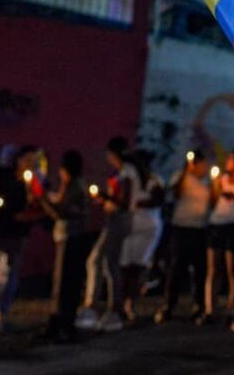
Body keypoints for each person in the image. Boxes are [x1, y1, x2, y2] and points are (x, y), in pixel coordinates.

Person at [0, 144, 40, 332]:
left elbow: (36, 203)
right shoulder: (4, 177)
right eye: (28, 160)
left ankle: (0, 314)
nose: (31, 164)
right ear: (19, 160)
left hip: (19, 235)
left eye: (34, 161)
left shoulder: (33, 182)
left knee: (10, 277)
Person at [77, 136, 138, 333]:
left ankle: (111, 308)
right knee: (97, 260)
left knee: (108, 263)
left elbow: (124, 201)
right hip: (115, 219)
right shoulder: (121, 173)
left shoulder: (127, 173)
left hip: (119, 221)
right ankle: (95, 305)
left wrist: (106, 197)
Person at [154, 150, 211, 324]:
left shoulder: (208, 181)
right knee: (176, 269)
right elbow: (175, 194)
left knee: (200, 270)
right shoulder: (181, 177)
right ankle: (168, 305)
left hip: (200, 229)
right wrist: (185, 173)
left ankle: (199, 305)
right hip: (181, 229)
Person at [37, 149, 87, 342]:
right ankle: (62, 323)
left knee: (63, 282)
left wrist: (43, 200)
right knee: (67, 282)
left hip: (69, 237)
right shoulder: (75, 185)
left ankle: (61, 324)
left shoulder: (73, 186)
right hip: (71, 236)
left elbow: (61, 212)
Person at [198, 148, 234, 325]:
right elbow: (214, 202)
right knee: (213, 268)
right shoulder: (222, 178)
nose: (228, 160)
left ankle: (233, 308)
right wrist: (215, 189)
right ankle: (209, 309)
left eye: (231, 158)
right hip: (217, 224)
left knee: (233, 270)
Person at [119, 149, 164, 324]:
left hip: (146, 227)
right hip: (132, 226)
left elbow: (159, 199)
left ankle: (130, 304)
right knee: (126, 267)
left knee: (136, 268)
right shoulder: (130, 180)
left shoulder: (153, 180)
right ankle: (123, 304)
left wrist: (143, 203)